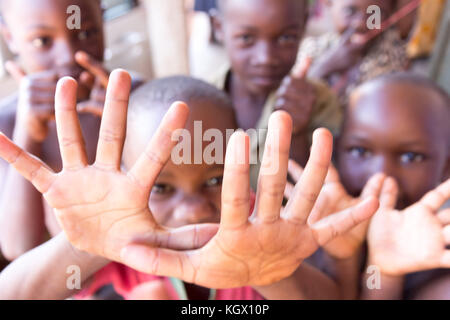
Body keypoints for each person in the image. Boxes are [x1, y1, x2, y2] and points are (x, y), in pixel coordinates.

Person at [0, 70, 380, 299]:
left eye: (215, 179)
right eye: (161, 188)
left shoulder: (255, 224)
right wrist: (81, 246)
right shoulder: (118, 242)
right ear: (122, 178)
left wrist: (277, 278)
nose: (194, 210)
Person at [0, 0, 142, 260]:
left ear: (102, 19)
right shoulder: (7, 125)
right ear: (9, 37)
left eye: (86, 33)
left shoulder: (136, 96)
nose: (69, 55)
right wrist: (28, 136)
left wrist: (132, 125)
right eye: (43, 41)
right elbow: (19, 247)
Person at [336, 74, 450, 299]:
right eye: (360, 151)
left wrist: (382, 276)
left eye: (411, 156)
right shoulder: (307, 238)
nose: (381, 176)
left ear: (446, 168)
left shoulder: (439, 273)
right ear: (335, 151)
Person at [210, 0, 343, 189]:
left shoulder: (320, 100)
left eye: (286, 38)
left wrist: (295, 133)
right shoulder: (199, 101)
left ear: (304, 24)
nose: (266, 58)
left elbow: (326, 195)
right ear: (219, 27)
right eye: (247, 38)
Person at [298, 0, 408, 102]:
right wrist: (326, 66)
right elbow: (292, 94)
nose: (360, 24)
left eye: (375, 15)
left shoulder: (392, 59)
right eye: (350, 11)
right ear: (328, 2)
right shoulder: (312, 48)